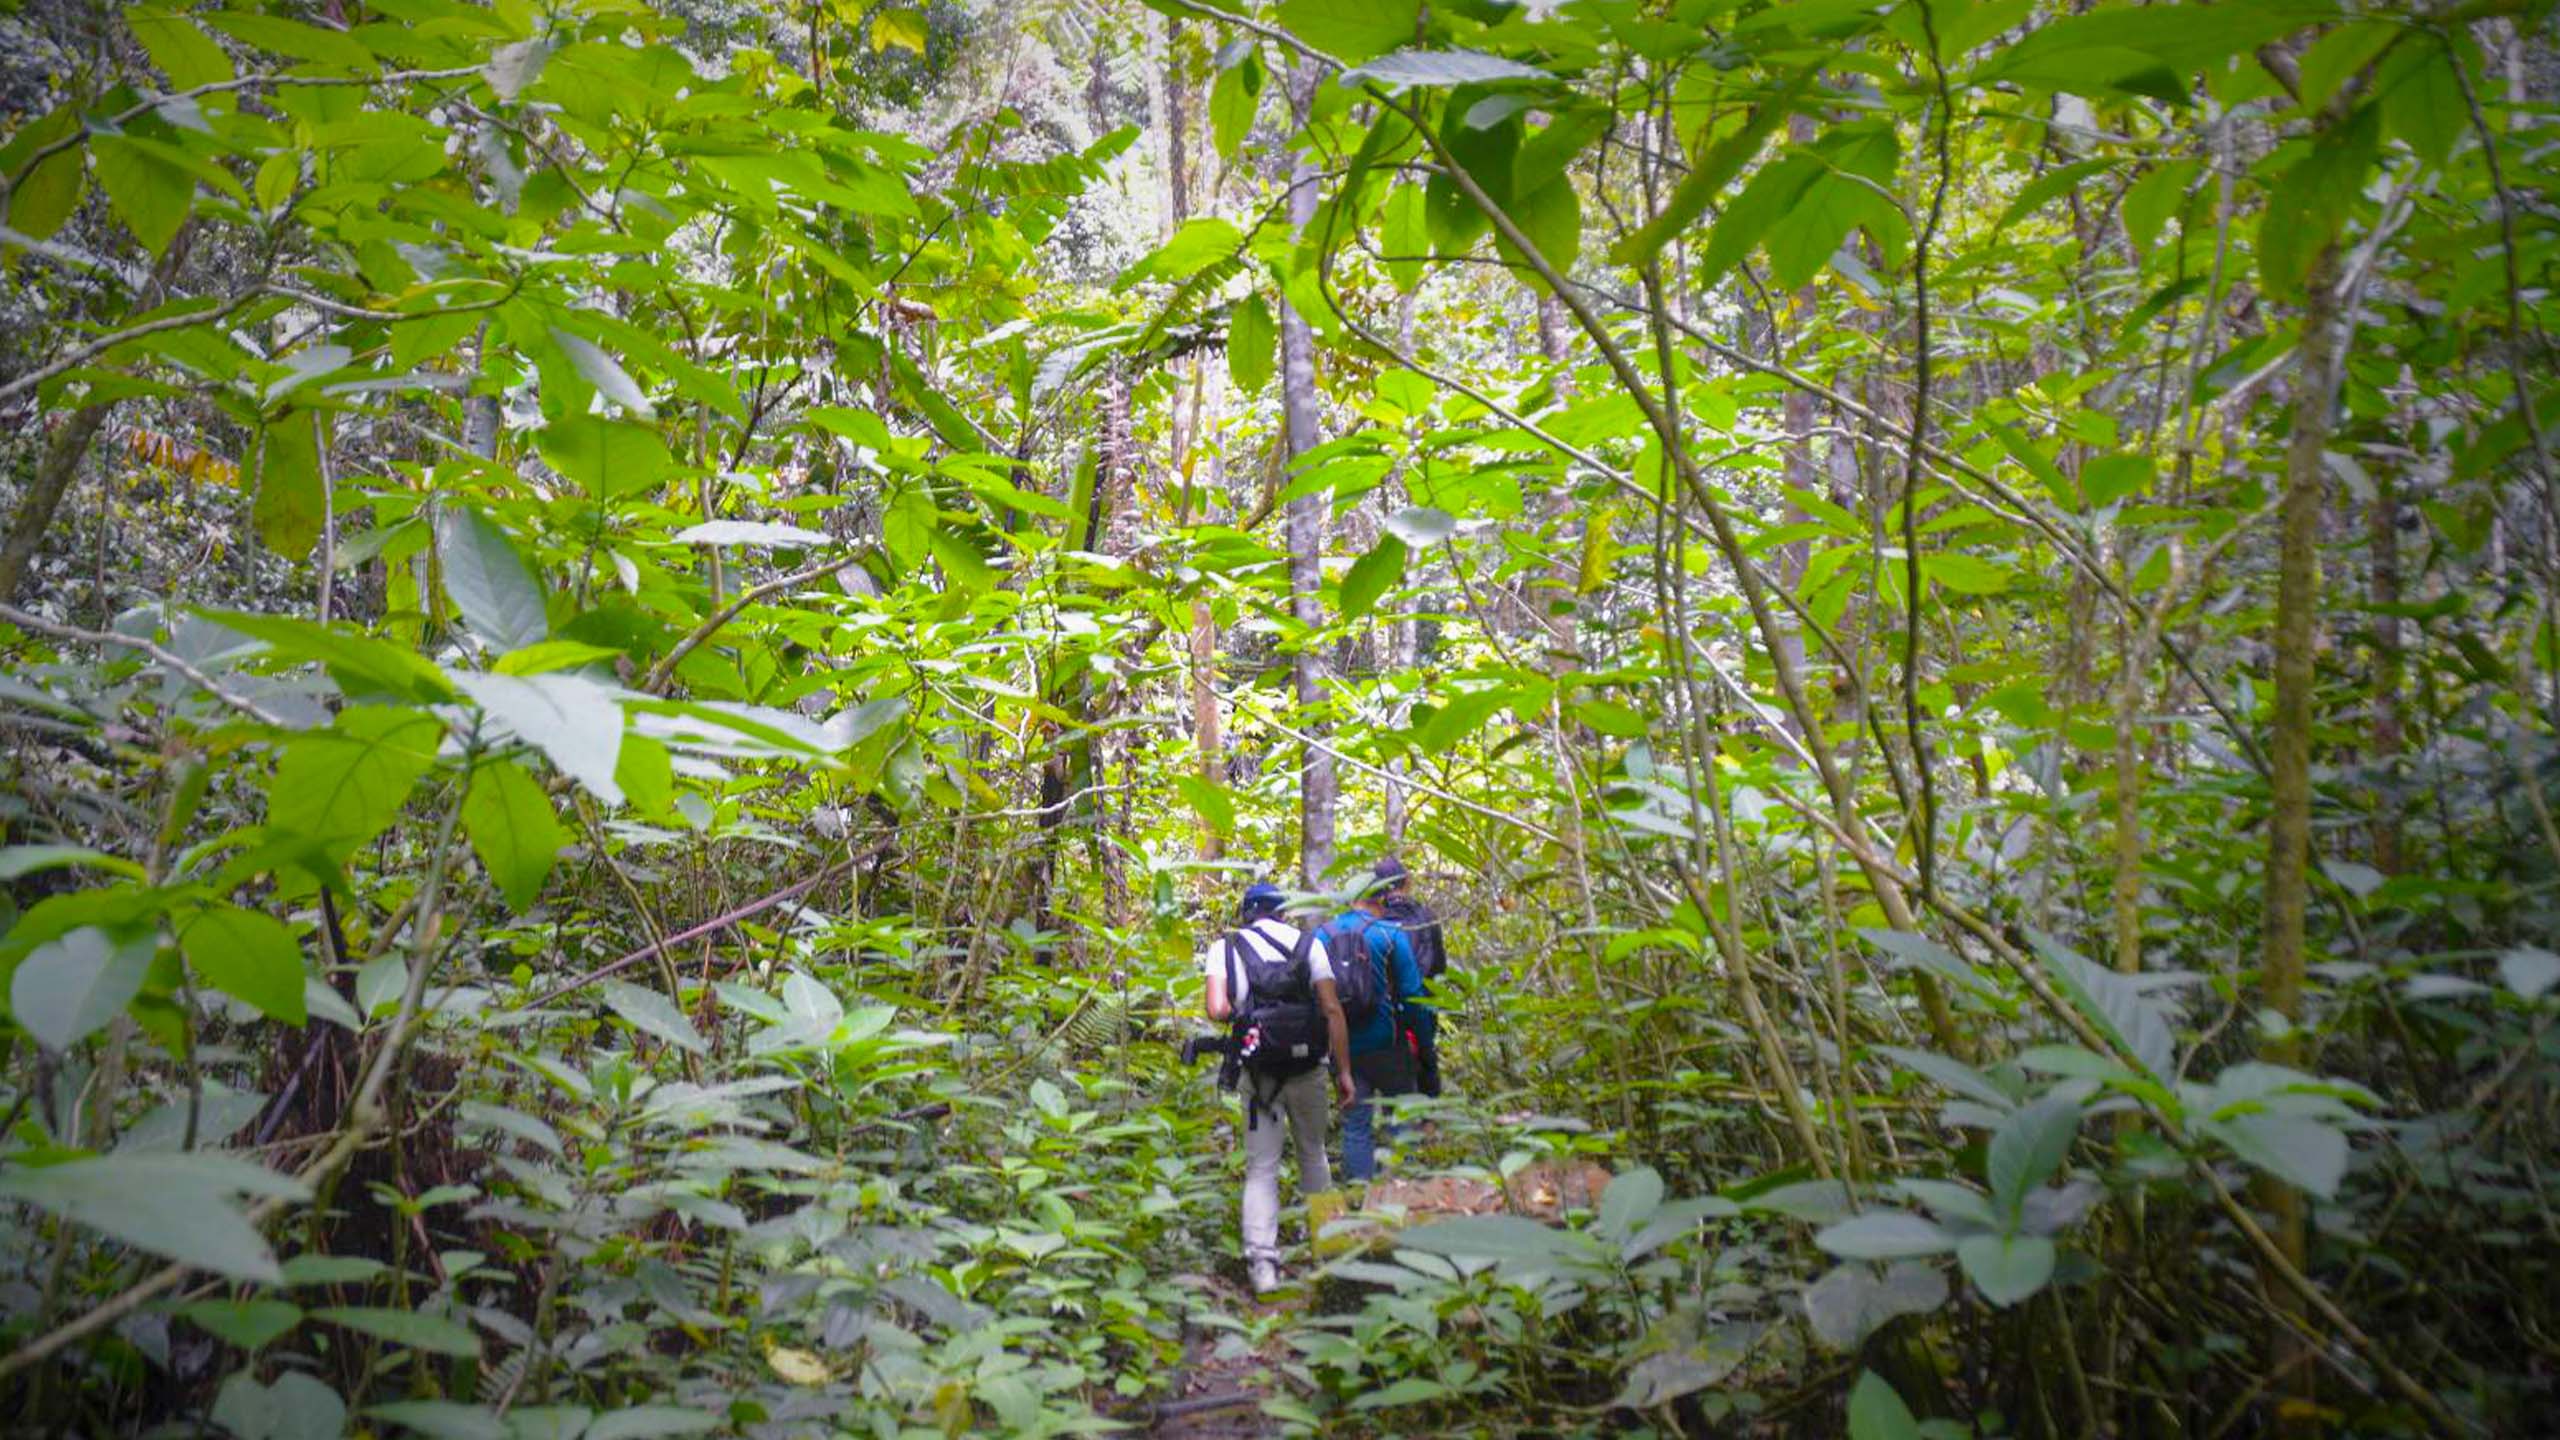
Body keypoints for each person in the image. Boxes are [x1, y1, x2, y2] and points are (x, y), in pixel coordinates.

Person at [1202, 880, 1355, 1295]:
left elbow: (1217, 1008)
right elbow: (1331, 1009)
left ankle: (1263, 1267)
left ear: (1247, 913)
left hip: (1259, 1075)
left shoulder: (1225, 948)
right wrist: (1343, 1071)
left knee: (1261, 1168)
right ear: (1284, 911)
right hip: (1309, 1069)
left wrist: (1249, 1018)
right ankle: (1330, 1254)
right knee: (1314, 1154)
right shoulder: (1310, 945)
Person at [1323, 869, 1433, 1182]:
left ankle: (1361, 1197)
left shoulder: (1323, 935)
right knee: (1401, 1121)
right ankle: (1402, 1192)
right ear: (1381, 898)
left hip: (1344, 1047)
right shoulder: (1389, 934)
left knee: (1356, 1125)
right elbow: (1412, 993)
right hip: (1389, 1044)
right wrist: (1423, 1043)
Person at [1372, 856, 1446, 1098]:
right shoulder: (1426, 916)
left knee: (1392, 1080)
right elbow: (1439, 965)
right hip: (1422, 1003)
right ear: (1406, 882)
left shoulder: (1373, 921)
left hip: (1384, 1011)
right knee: (1427, 1068)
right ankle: (1429, 1113)